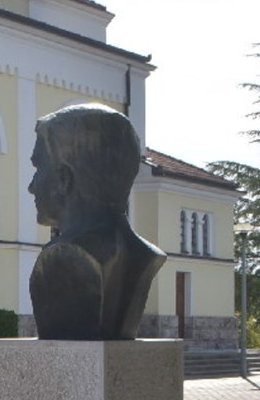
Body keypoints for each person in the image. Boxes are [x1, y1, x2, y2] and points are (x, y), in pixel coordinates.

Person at [27, 104, 168, 340]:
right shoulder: (145, 255)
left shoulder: (62, 260)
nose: (31, 186)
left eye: (39, 168)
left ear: (64, 179)